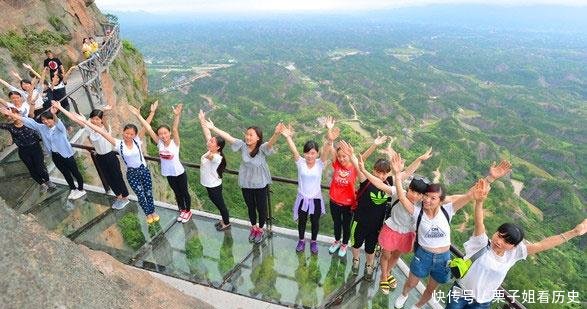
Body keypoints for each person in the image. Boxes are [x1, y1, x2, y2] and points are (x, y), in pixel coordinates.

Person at [392, 154, 512, 309]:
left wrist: (490, 178)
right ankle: (404, 294)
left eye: (433, 198)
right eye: (426, 196)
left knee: (430, 289)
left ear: (441, 201)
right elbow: (402, 197)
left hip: (443, 258)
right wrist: (396, 175)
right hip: (423, 254)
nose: (427, 200)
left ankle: (418, 305)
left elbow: (470, 195)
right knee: (412, 282)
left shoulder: (448, 210)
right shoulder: (417, 211)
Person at [445, 181, 587, 309]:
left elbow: (542, 245)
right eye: (499, 235)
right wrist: (480, 202)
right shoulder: (481, 243)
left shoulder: (513, 254)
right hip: (460, 293)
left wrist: (574, 232)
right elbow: (479, 222)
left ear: (514, 246)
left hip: (482, 302)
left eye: (507, 241)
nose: (499, 241)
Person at [349, 143, 433, 284]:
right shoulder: (367, 181)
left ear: (388, 172)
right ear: (373, 171)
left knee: (370, 247)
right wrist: (352, 155)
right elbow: (359, 167)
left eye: (384, 172)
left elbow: (407, 173)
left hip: (376, 224)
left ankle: (369, 265)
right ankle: (356, 260)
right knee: (356, 244)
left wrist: (419, 159)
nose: (381, 176)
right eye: (378, 172)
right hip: (359, 220)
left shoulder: (391, 183)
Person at [202, 116, 283, 244]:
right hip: (246, 183)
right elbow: (228, 137)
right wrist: (213, 128)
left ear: (258, 138)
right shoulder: (242, 146)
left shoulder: (262, 149)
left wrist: (276, 133)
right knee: (250, 207)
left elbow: (271, 143)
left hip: (260, 184)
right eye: (247, 134)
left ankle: (260, 230)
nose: (248, 137)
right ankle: (253, 228)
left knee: (261, 209)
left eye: (251, 135)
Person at [79, 105, 160, 224]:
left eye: (131, 134)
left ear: (135, 135)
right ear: (123, 133)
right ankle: (147, 213)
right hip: (132, 174)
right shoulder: (118, 144)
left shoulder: (137, 140)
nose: (128, 136)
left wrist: (150, 113)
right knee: (141, 195)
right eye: (126, 133)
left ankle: (152, 212)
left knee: (148, 193)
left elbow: (146, 126)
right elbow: (102, 131)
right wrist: (86, 122)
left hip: (144, 171)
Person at [2, 101, 86, 199]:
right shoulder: (42, 128)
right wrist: (11, 114)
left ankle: (80, 189)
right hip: (55, 155)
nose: (46, 121)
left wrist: (54, 113)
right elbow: (29, 122)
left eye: (48, 119)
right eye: (43, 120)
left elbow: (57, 121)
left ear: (53, 119)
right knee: (65, 173)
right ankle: (73, 189)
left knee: (75, 172)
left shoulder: (60, 128)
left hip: (66, 154)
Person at [53, 103, 130, 209]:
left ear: (101, 120)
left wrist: (105, 111)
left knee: (117, 177)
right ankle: (118, 197)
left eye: (98, 119)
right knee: (108, 178)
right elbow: (74, 119)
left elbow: (105, 119)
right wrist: (60, 108)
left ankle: (125, 198)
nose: (95, 121)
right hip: (100, 157)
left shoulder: (106, 128)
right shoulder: (90, 128)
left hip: (110, 156)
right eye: (93, 119)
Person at [327, 129, 386, 258]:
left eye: (344, 156)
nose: (341, 159)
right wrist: (331, 139)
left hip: (348, 204)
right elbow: (331, 151)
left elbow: (363, 157)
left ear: (349, 156)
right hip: (334, 201)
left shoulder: (354, 167)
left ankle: (344, 244)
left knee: (346, 226)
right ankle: (337, 241)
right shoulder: (336, 164)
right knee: (336, 223)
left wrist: (375, 144)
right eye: (339, 156)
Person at [129, 103, 192, 223]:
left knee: (184, 193)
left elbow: (174, 128)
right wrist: (138, 116)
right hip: (169, 174)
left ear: (169, 133)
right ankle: (182, 210)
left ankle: (188, 211)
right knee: (177, 193)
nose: (163, 135)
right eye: (160, 134)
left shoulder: (175, 143)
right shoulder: (159, 143)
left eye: (165, 133)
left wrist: (177, 115)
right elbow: (148, 127)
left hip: (179, 173)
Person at [280, 119, 336, 254]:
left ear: (317, 153)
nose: (310, 156)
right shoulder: (300, 162)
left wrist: (329, 131)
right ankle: (301, 241)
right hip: (302, 198)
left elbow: (328, 146)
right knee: (302, 222)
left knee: (315, 222)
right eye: (307, 152)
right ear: (304, 153)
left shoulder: (320, 163)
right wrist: (288, 137)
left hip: (316, 198)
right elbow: (293, 149)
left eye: (313, 153)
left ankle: (313, 242)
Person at [0, 106, 53, 191]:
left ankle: (48, 180)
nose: (11, 117)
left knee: (40, 166)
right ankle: (42, 184)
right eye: (8, 116)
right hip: (23, 151)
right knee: (31, 168)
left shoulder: (29, 122)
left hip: (36, 148)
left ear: (18, 113)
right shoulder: (10, 126)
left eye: (13, 114)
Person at [198, 110, 230, 231]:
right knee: (217, 203)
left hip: (214, 186)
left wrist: (209, 154)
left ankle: (226, 223)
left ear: (218, 147)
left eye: (212, 142)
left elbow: (211, 157)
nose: (209, 141)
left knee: (220, 205)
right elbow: (207, 133)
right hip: (209, 184)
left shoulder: (216, 157)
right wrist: (202, 119)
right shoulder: (212, 150)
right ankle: (224, 219)